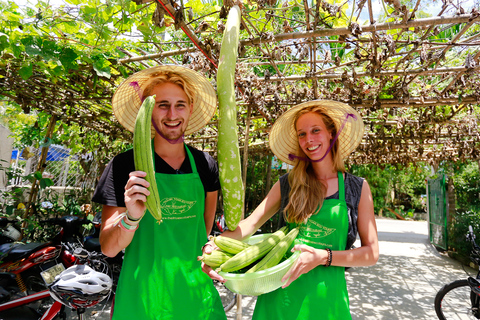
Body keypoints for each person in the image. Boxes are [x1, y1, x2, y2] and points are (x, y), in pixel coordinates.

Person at [202, 100, 379, 320]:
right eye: (301, 134)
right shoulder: (287, 183)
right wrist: (214, 245)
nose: (309, 140)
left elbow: (371, 254)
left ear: (331, 134)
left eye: (316, 131)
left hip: (327, 303)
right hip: (280, 300)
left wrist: (323, 256)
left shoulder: (357, 188)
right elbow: (250, 224)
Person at [92, 65, 227, 320]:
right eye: (162, 104)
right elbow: (109, 248)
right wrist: (131, 217)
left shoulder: (205, 165)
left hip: (195, 293)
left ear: (190, 109)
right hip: (143, 296)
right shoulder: (124, 166)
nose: (172, 114)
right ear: (148, 110)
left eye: (180, 104)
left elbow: (204, 230)